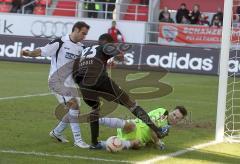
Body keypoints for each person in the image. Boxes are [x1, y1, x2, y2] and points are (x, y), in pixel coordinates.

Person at [73, 33, 167, 149]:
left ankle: (94, 143)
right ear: (108, 43)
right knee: (130, 104)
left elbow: (75, 74)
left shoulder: (84, 52)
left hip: (83, 85)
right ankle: (157, 130)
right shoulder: (104, 46)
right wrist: (118, 57)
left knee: (95, 109)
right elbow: (119, 56)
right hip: (100, 79)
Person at [20, 21, 90, 148]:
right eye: (83, 33)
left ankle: (57, 132)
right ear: (75, 30)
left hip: (70, 83)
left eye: (85, 34)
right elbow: (42, 51)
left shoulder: (81, 48)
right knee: (74, 106)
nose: (84, 36)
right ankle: (78, 140)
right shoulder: (60, 42)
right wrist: (28, 53)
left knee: (75, 111)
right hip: (56, 82)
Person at [99, 106, 187, 150]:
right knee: (131, 126)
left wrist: (154, 143)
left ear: (179, 120)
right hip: (135, 126)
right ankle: (98, 120)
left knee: (138, 144)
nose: (174, 117)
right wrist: (157, 142)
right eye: (174, 114)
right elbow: (151, 126)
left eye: (177, 118)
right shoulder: (163, 113)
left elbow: (152, 138)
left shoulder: (166, 128)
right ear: (171, 111)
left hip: (138, 138)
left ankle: (102, 144)